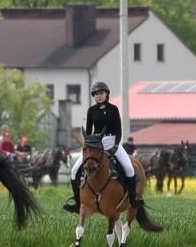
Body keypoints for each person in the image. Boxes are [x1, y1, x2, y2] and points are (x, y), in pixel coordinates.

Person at [63, 79, 149, 216]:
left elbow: (118, 130)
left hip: (111, 141)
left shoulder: (113, 109)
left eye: (101, 93)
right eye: (96, 94)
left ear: (106, 94)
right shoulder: (91, 111)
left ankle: (133, 198)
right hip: (95, 144)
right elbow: (89, 131)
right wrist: (88, 147)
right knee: (74, 171)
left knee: (129, 168)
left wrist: (115, 145)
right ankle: (77, 201)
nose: (98, 95)